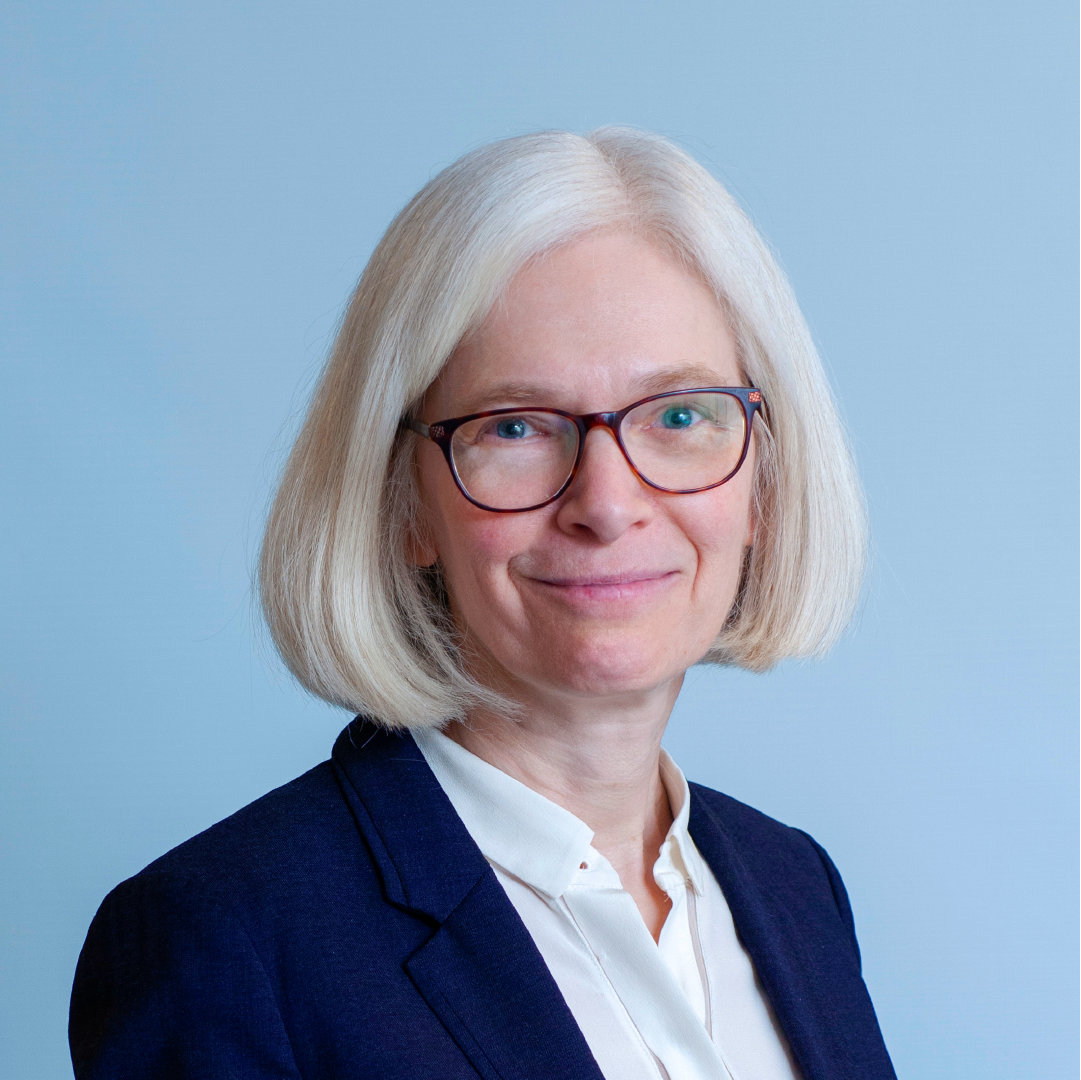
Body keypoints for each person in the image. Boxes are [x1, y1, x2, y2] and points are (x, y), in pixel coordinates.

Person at [69, 128, 896, 1080]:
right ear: (404, 505)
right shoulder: (225, 937)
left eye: (678, 416)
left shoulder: (795, 888)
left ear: (763, 481)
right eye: (514, 426)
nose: (607, 503)